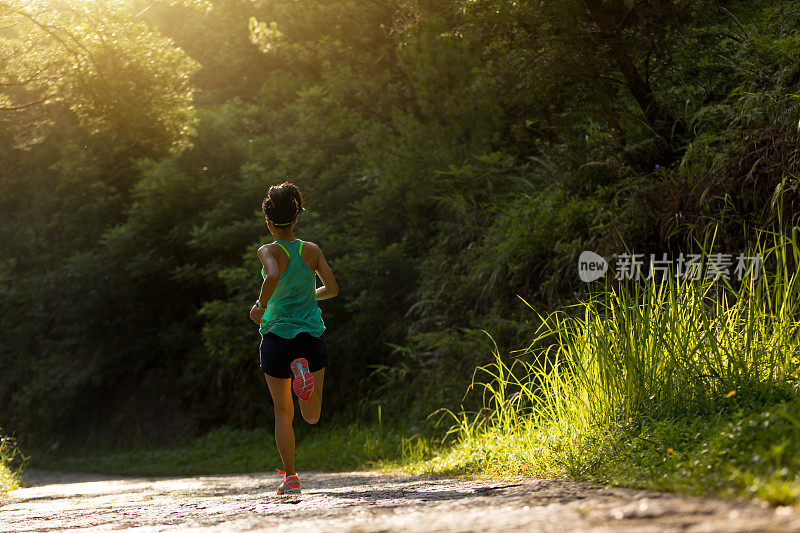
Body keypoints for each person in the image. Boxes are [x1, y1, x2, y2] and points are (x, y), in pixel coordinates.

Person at [249, 181, 339, 496]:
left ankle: (291, 477)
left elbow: (272, 275)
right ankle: (303, 375)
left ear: (269, 221)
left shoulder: (267, 250)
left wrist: (261, 306)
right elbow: (332, 289)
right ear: (296, 217)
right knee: (311, 416)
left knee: (282, 413)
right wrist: (307, 295)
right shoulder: (311, 250)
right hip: (310, 337)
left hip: (276, 337)